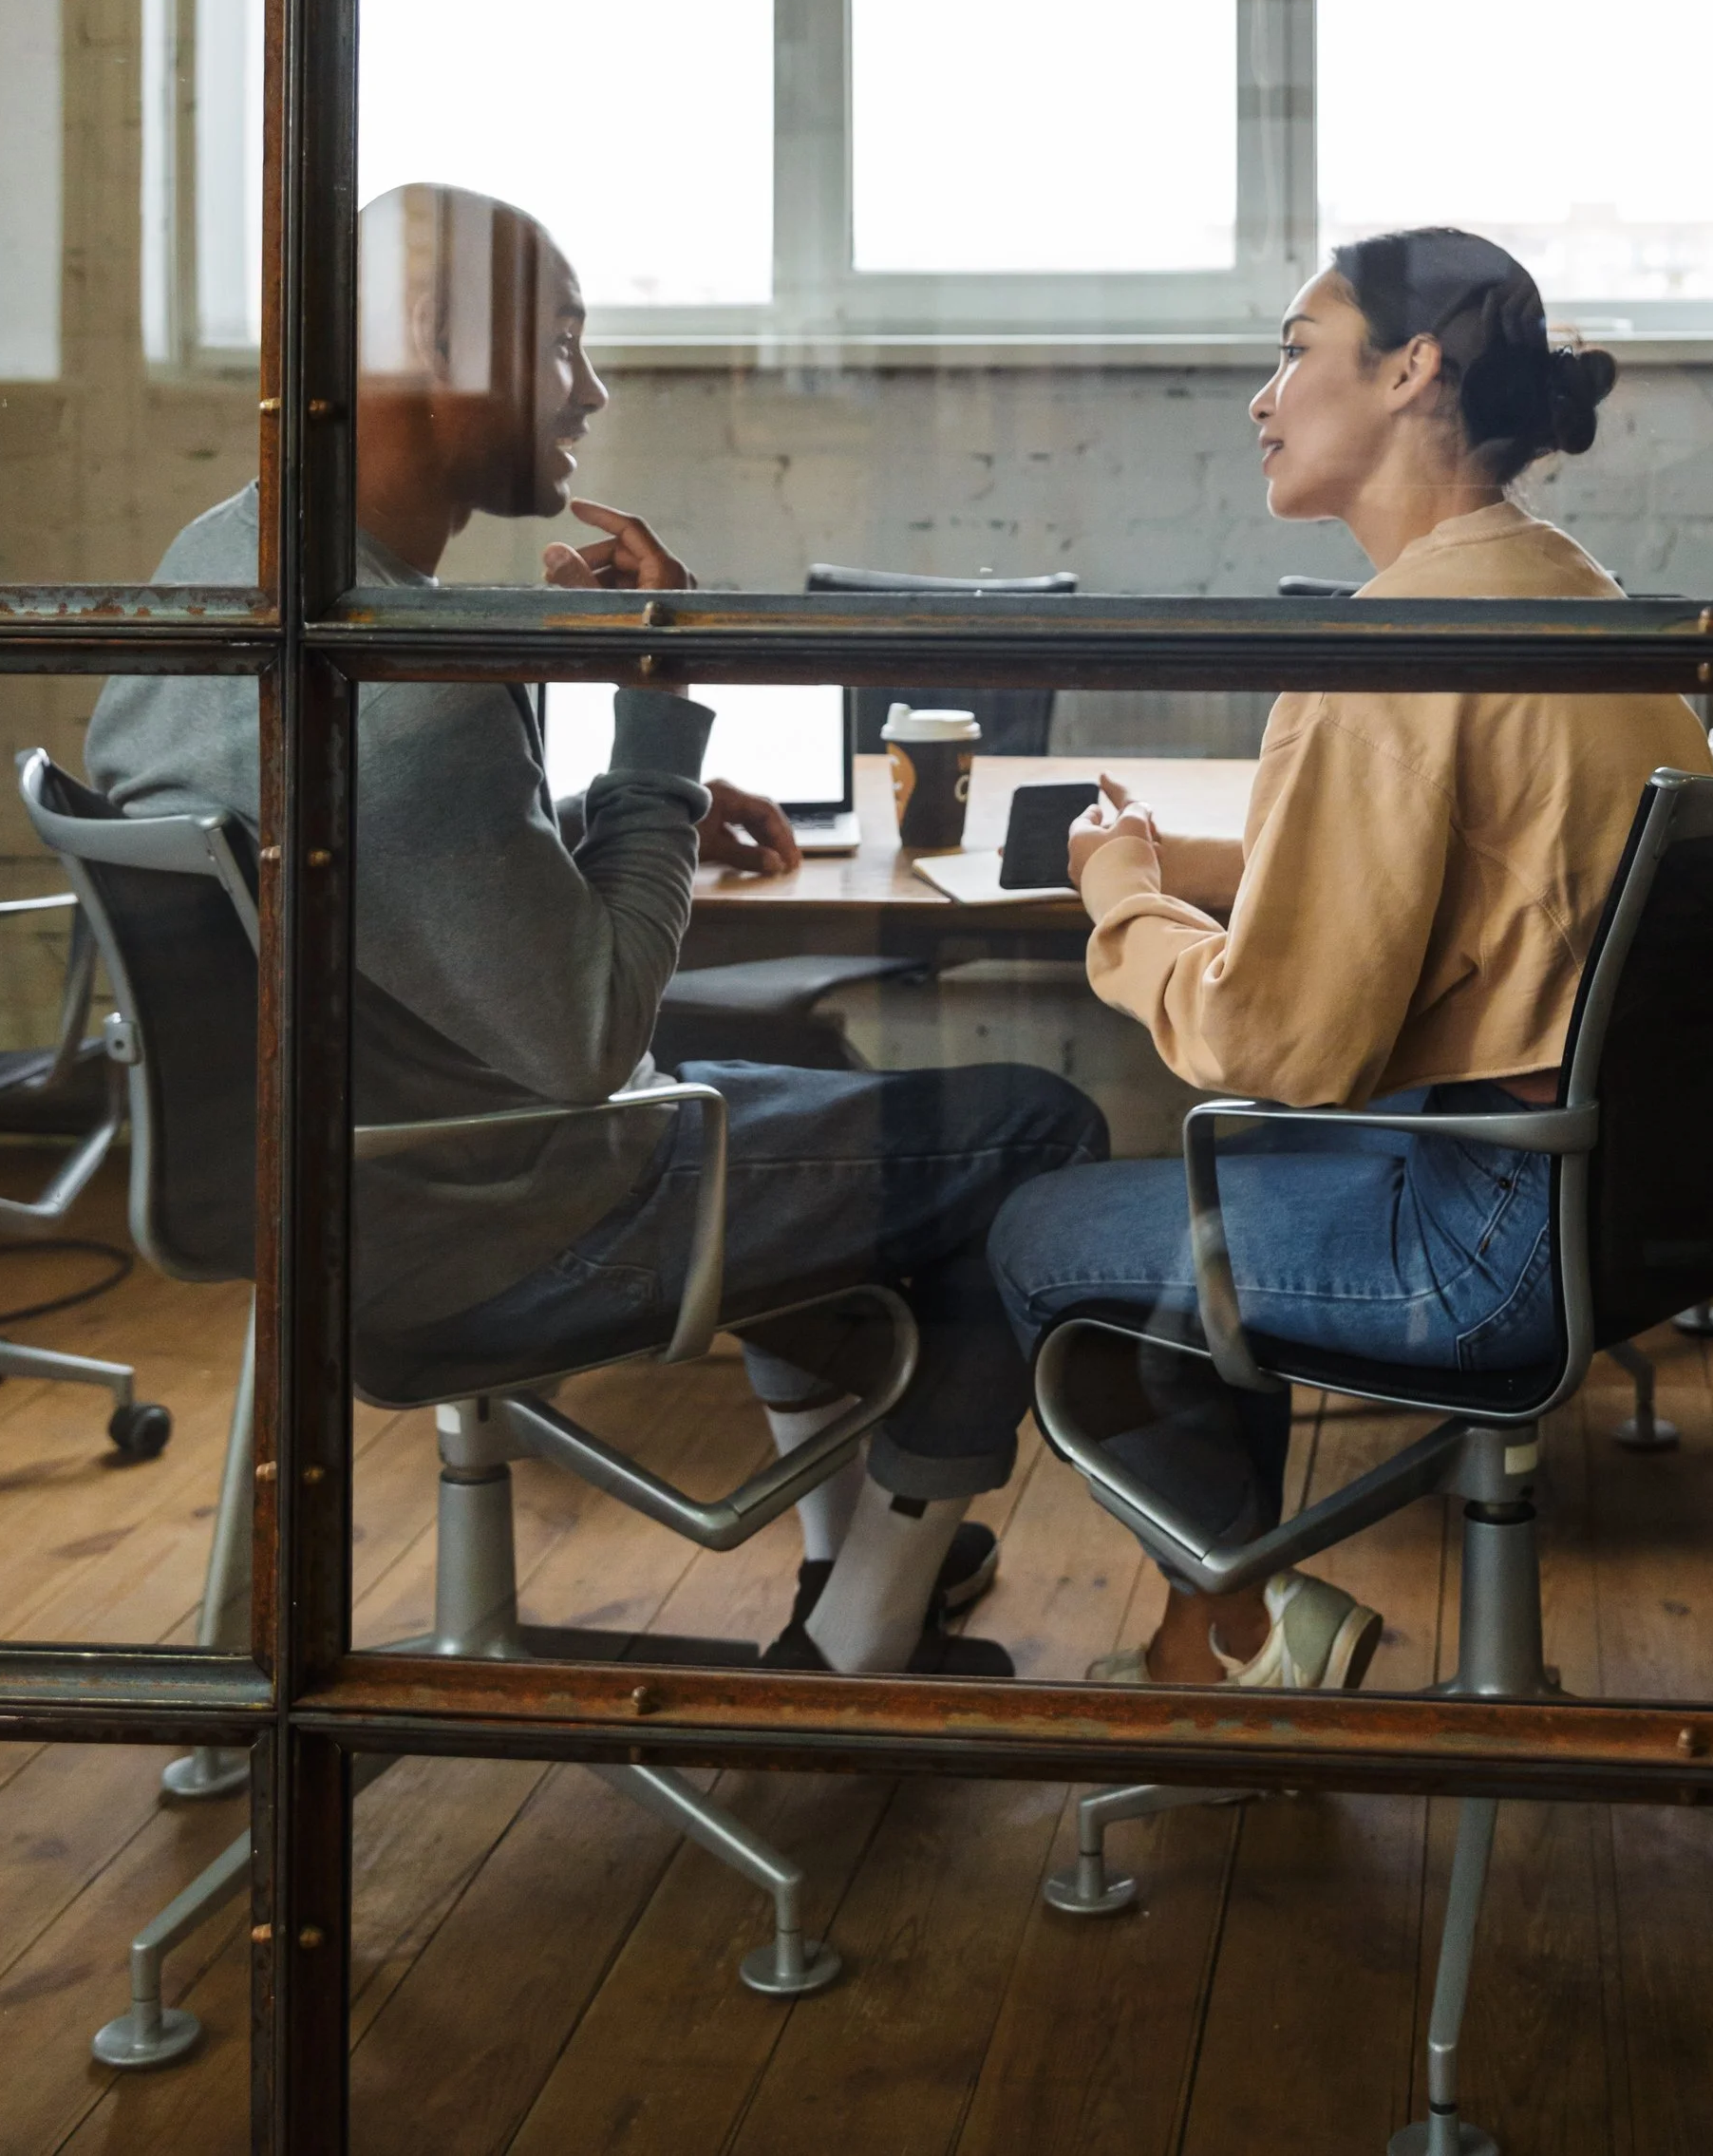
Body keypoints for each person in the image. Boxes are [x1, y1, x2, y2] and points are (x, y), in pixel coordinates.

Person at [87, 180, 1105, 1676]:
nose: (593, 390)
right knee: (1028, 1129)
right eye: (565, 341)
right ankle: (862, 1642)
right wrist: (653, 722)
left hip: (319, 1209)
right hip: (489, 1227)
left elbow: (341, 879)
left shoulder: (221, 567)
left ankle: (857, 1567)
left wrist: (593, 813)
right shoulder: (411, 694)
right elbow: (590, 1036)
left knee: (812, 1085)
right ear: (436, 342)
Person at [987, 227, 1712, 1693]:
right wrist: (1207, 867)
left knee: (1048, 1233)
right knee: (1186, 1216)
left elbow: (1279, 1052)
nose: (1263, 395)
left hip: (1482, 1238)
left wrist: (1125, 908)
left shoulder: (1385, 651)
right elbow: (1488, 886)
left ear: (1410, 368)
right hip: (1644, 1204)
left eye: (1296, 346)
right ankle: (1225, 1634)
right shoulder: (1572, 597)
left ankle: (1241, 1625)